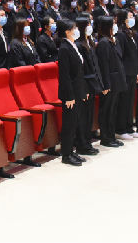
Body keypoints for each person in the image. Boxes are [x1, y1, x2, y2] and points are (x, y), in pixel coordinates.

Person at [56, 18, 89, 167]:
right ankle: (66, 154)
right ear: (67, 32)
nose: (76, 30)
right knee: (69, 124)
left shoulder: (73, 45)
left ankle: (71, 151)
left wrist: (83, 90)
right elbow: (65, 75)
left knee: (75, 122)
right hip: (69, 93)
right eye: (74, 28)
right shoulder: (64, 48)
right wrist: (69, 96)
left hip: (77, 90)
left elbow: (79, 72)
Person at [95, 16, 125, 147]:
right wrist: (105, 85)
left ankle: (111, 136)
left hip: (116, 81)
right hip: (109, 82)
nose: (115, 26)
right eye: (113, 24)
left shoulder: (113, 40)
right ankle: (105, 138)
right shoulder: (103, 43)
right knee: (106, 111)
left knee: (113, 111)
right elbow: (103, 66)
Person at [74, 15, 101, 155]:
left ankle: (87, 143)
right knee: (83, 117)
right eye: (88, 24)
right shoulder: (79, 45)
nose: (90, 26)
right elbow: (80, 70)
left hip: (92, 83)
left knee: (89, 116)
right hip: (84, 84)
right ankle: (82, 145)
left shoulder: (89, 41)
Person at [114, 10, 138, 140]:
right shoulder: (120, 34)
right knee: (123, 102)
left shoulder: (131, 33)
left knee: (130, 101)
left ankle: (129, 127)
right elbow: (121, 56)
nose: (132, 18)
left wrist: (136, 72)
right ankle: (120, 129)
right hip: (125, 73)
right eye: (130, 17)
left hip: (132, 72)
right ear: (124, 19)